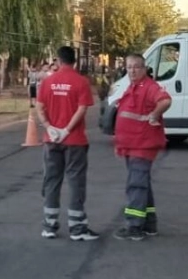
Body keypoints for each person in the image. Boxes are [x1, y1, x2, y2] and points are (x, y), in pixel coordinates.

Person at [36, 45, 99, 241]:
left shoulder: (48, 82)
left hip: (51, 140)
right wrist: (67, 130)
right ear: (75, 61)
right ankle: (77, 227)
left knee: (52, 181)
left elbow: (39, 107)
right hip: (74, 140)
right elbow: (81, 110)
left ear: (58, 60)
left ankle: (49, 225)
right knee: (75, 182)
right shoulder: (81, 82)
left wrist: (49, 127)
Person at [112, 52, 172, 241]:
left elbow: (165, 100)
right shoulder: (133, 87)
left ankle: (134, 226)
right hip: (132, 145)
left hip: (142, 145)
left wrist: (154, 115)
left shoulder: (149, 86)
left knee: (136, 185)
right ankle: (149, 224)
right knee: (142, 184)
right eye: (129, 67)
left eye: (136, 67)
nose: (132, 70)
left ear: (144, 68)